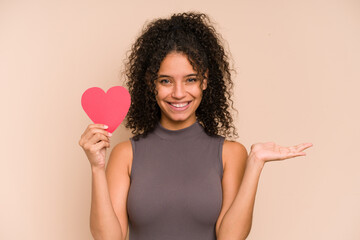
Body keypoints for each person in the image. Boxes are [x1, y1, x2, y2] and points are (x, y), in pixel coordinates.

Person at [79, 12, 313, 240]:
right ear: (152, 84)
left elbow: (231, 237)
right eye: (166, 81)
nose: (179, 93)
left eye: (190, 79)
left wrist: (255, 164)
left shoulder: (230, 154)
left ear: (205, 81)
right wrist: (97, 168)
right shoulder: (125, 154)